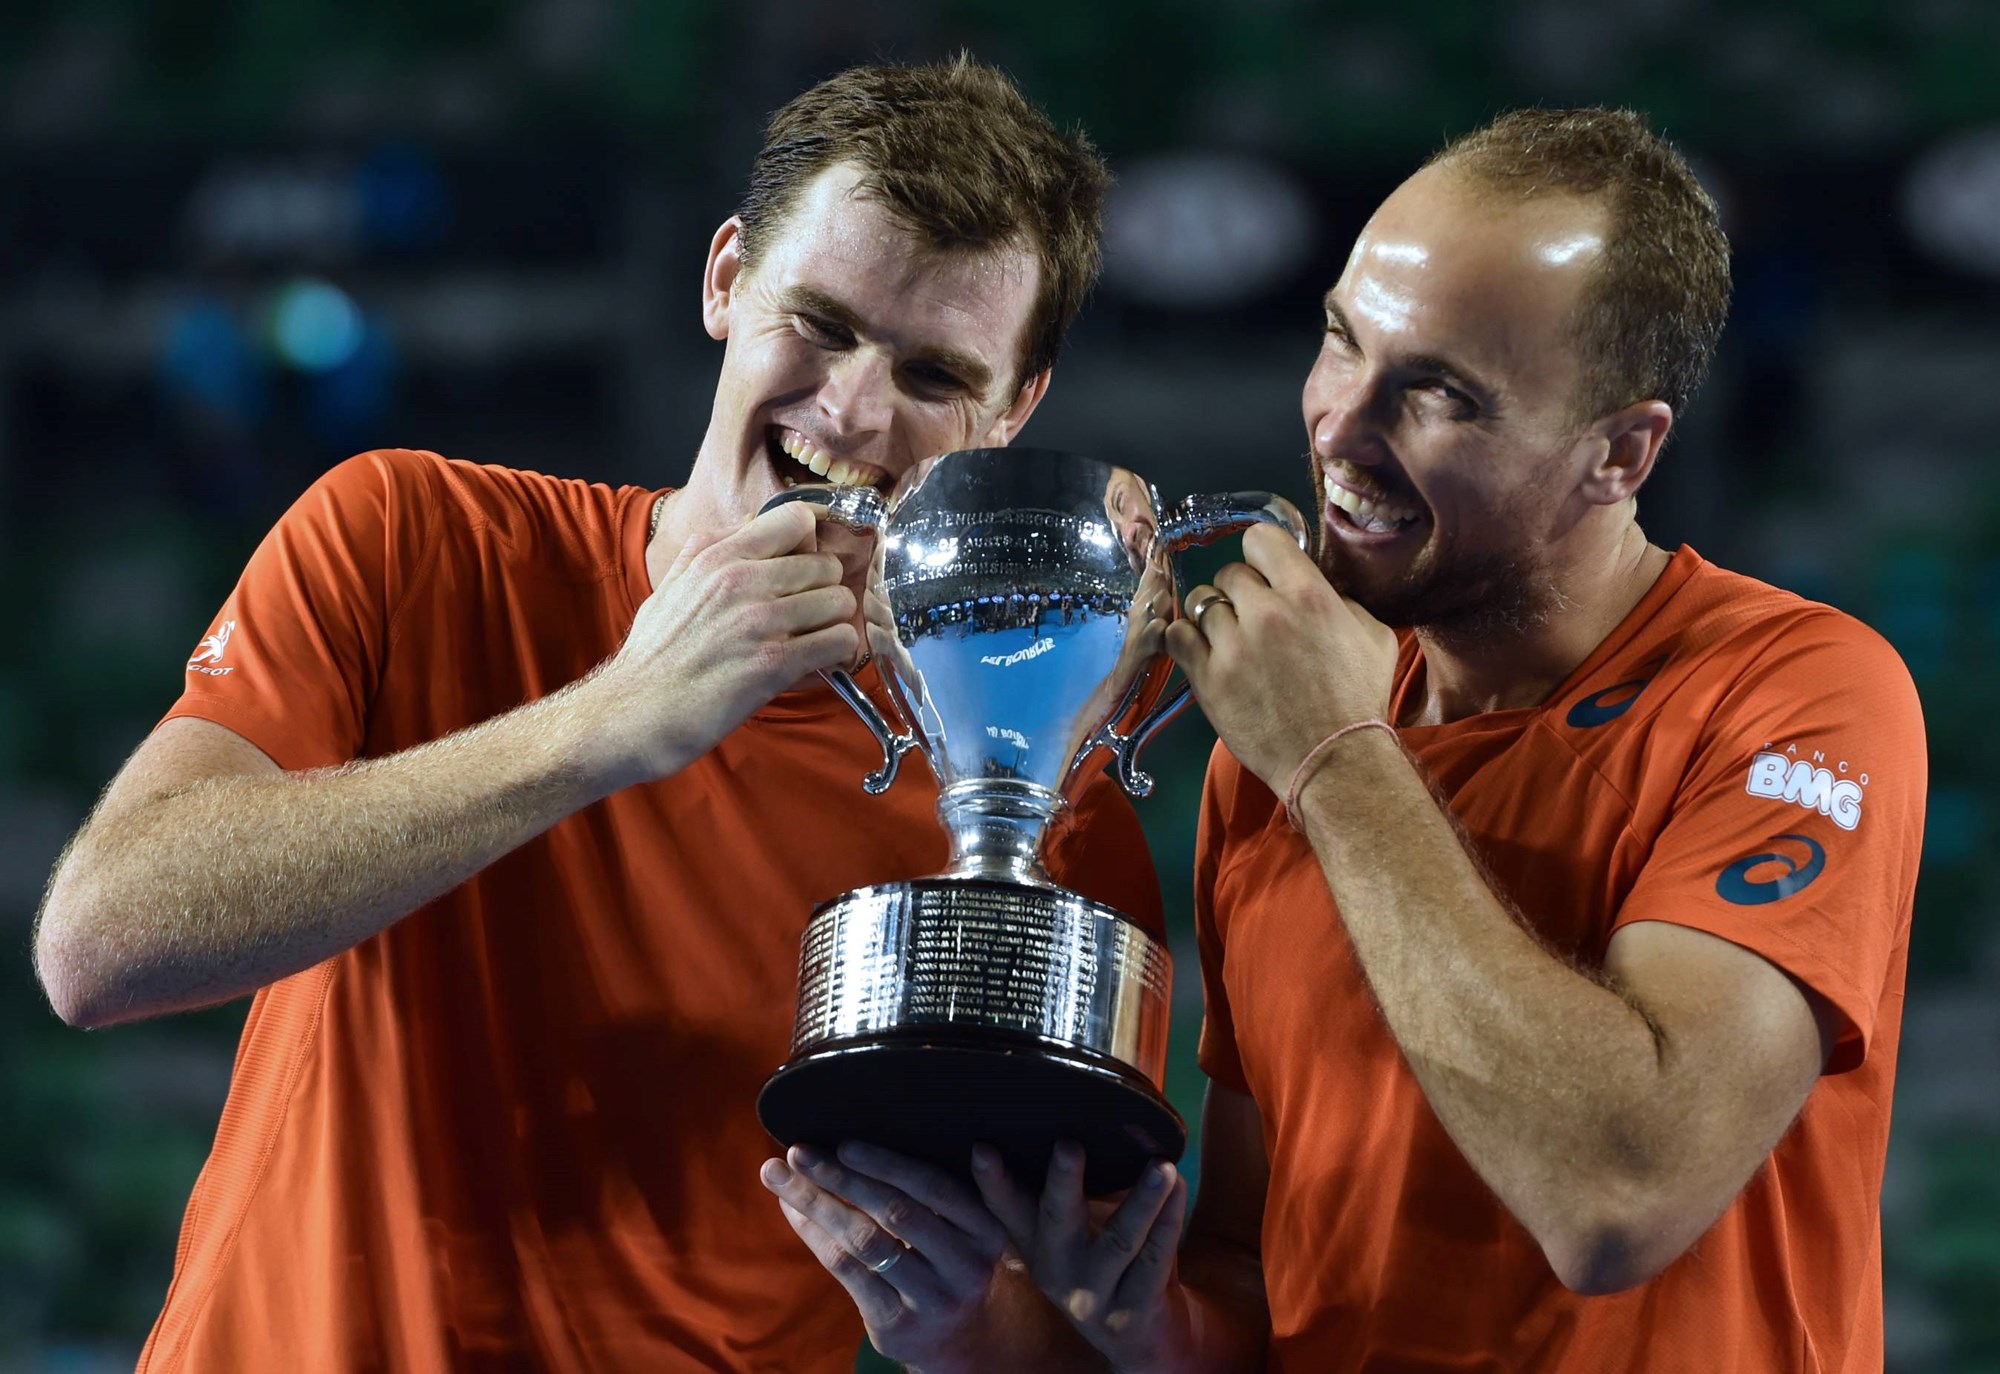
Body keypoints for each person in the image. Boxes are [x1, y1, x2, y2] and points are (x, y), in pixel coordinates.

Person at [33, 59, 1162, 1373]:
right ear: (725, 279)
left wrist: (964, 1323)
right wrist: (613, 716)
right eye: (823, 322)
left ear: (1015, 411)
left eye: (931, 371)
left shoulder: (1025, 796)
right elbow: (99, 944)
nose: (854, 409)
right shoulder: (407, 536)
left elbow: (1071, 1332)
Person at [780, 107, 1926, 1372]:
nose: (1337, 424)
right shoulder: (1264, 760)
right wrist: (1034, 1328)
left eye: (1437, 394)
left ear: (1618, 453)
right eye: (1340, 339)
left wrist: (1333, 756)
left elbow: (1620, 1193)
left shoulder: (1792, 689)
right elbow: (1249, 1284)